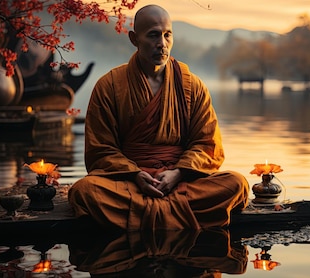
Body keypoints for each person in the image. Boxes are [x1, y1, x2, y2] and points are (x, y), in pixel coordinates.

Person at [68, 4, 249, 230]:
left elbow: (207, 145)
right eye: (153, 35)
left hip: (179, 180)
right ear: (134, 39)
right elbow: (100, 149)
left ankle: (140, 217)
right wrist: (135, 175)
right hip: (131, 181)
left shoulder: (192, 85)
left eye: (167, 35)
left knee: (237, 184)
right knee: (84, 192)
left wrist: (178, 172)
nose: (162, 44)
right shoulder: (110, 86)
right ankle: (176, 218)